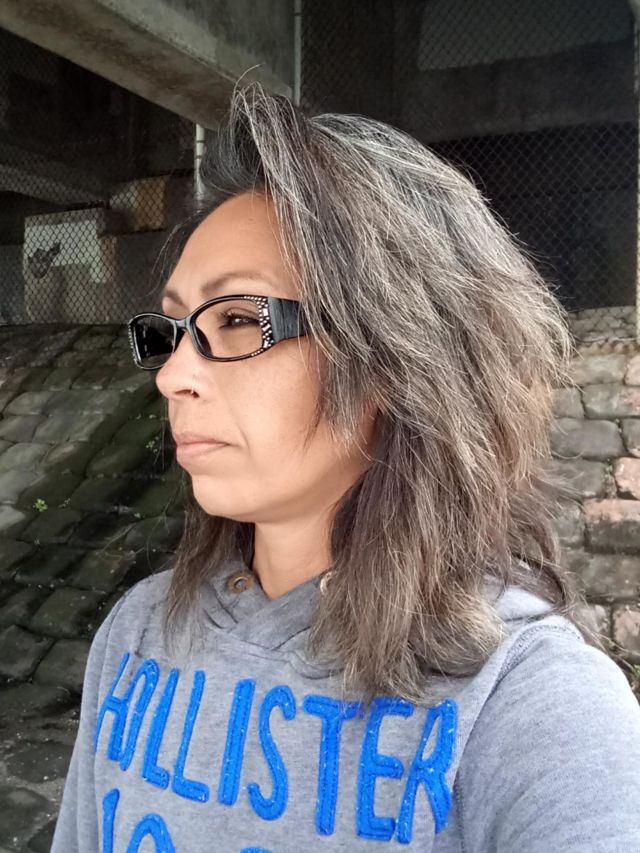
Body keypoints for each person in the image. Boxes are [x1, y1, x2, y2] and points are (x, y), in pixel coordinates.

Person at [51, 83, 640, 853]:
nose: (171, 375)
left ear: (392, 352)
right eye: (172, 330)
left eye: (238, 319)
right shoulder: (137, 633)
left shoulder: (526, 701)